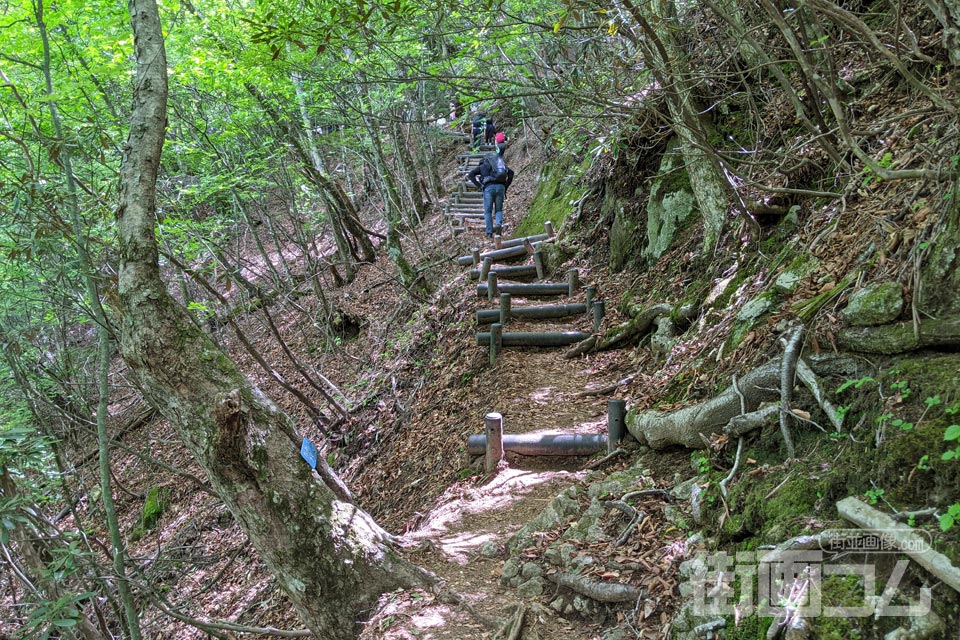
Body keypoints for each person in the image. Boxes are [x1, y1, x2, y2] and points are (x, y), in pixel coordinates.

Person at [467, 142, 514, 238]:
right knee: (498, 209)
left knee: (488, 211)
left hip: (488, 189)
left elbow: (470, 174)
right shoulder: (498, 165)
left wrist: (479, 185)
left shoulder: (481, 166)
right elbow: (511, 173)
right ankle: (498, 225)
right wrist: (506, 185)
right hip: (500, 187)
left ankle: (489, 232)